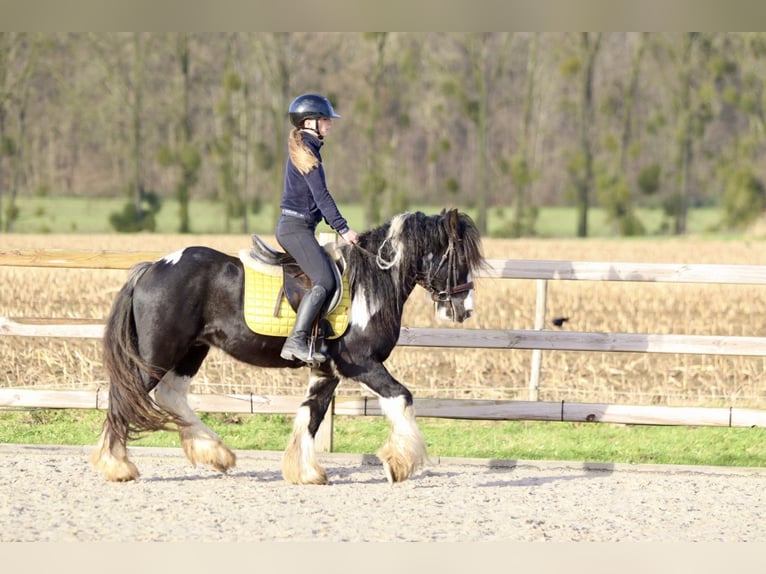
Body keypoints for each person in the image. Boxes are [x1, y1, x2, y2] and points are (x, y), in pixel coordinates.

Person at [276, 93, 360, 365]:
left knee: (329, 277)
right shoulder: (307, 153)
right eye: (325, 119)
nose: (330, 124)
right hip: (295, 228)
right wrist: (344, 229)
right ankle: (296, 340)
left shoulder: (306, 149)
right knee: (325, 281)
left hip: (299, 227)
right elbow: (322, 196)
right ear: (310, 122)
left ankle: (315, 337)